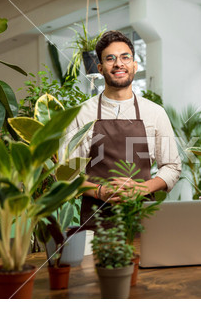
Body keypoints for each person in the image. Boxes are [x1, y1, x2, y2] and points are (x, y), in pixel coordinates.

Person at [61, 30, 181, 228]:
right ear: (100, 68)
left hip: (143, 218)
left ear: (134, 65)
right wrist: (100, 191)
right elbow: (66, 174)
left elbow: (172, 167)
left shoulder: (155, 113)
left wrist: (142, 188)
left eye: (125, 57)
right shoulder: (81, 114)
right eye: (110, 58)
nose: (119, 64)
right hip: (95, 220)